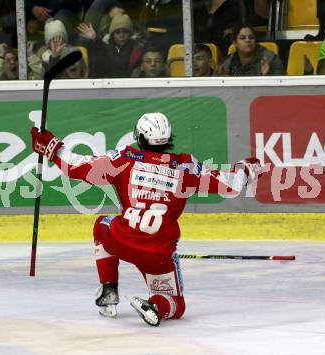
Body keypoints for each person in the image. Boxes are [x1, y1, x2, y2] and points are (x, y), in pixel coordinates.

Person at [30, 112, 262, 326]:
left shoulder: (124, 159)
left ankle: (109, 289)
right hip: (158, 252)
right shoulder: (186, 166)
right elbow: (231, 185)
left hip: (121, 239)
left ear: (139, 137)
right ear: (168, 138)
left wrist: (52, 147)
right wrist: (247, 167)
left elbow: (75, 167)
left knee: (102, 225)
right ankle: (155, 306)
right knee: (175, 304)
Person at [77, 13, 144, 78]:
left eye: (125, 32)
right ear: (112, 35)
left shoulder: (137, 51)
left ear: (130, 34)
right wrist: (94, 40)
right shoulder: (104, 48)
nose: (121, 35)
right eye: (117, 32)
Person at [220, 24, 284, 76]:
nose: (248, 40)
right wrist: (226, 81)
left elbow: (281, 88)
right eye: (242, 38)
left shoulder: (270, 60)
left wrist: (265, 77)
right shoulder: (228, 63)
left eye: (251, 37)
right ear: (235, 43)